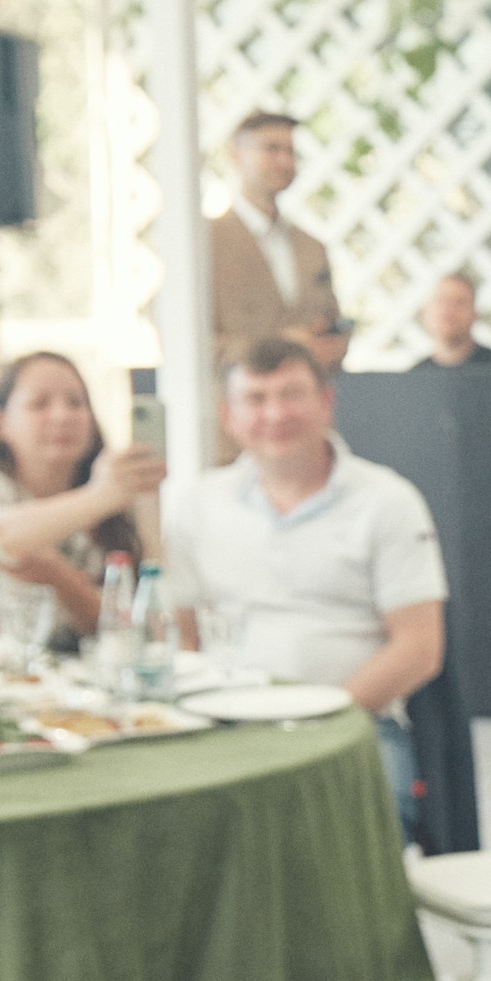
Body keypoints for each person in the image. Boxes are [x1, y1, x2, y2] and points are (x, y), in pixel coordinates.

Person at [167, 339, 447, 836]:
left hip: (352, 728)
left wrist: (319, 720)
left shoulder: (387, 501)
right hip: (225, 723)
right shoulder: (198, 506)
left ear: (326, 402)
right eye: (255, 399)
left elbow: (420, 648)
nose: (275, 413)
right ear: (228, 415)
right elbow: (181, 637)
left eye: (291, 394)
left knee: (322, 832)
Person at [0, 352, 165, 650]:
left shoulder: (116, 502)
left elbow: (137, 633)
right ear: (1, 423)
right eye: (39, 404)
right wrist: (97, 497)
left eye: (76, 403)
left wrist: (60, 577)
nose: (62, 416)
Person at [210, 110, 347, 375]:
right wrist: (281, 348)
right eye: (271, 149)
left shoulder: (311, 247)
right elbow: (189, 340)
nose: (284, 161)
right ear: (236, 156)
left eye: (290, 152)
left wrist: (333, 345)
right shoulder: (206, 242)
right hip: (236, 399)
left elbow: (332, 321)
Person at [408, 271, 491, 372]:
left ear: (475, 315)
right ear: (424, 312)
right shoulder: (412, 381)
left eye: (459, 302)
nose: (448, 311)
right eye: (441, 301)